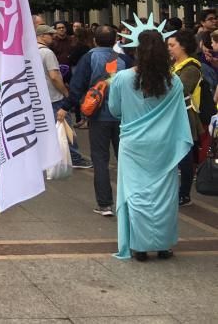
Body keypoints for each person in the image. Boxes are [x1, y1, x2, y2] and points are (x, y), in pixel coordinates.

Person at [108, 29, 192, 260]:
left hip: (133, 143)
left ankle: (140, 245)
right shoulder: (173, 81)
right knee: (164, 193)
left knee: (135, 193)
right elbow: (178, 114)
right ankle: (163, 245)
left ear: (137, 51)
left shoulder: (122, 78)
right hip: (164, 143)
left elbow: (114, 110)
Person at [58, 25, 128, 216]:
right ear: (115, 40)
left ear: (95, 40)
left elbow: (77, 85)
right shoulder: (124, 60)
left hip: (98, 116)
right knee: (126, 159)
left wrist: (65, 106)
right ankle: (128, 200)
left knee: (100, 158)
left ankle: (105, 204)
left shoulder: (89, 58)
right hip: (124, 116)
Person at [37, 24, 91, 169]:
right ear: (42, 36)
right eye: (50, 34)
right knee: (66, 127)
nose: (53, 37)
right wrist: (66, 93)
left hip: (41, 96)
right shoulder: (47, 53)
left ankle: (49, 157)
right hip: (54, 97)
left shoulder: (31, 51)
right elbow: (54, 76)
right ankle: (75, 158)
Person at [167, 28, 203, 207]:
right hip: (173, 115)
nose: (169, 49)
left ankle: (184, 194)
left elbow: (180, 90)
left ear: (184, 46)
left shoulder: (191, 67)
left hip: (186, 115)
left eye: (172, 45)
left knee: (185, 156)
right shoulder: (174, 65)